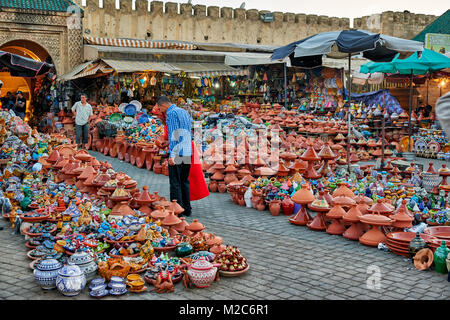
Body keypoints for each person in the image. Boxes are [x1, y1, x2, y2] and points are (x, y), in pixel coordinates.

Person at [156, 96, 193, 217]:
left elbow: (174, 135)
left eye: (160, 108)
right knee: (184, 181)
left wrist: (171, 154)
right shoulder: (183, 111)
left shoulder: (171, 114)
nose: (161, 111)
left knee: (175, 182)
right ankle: (187, 209)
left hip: (177, 152)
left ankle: (177, 213)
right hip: (187, 150)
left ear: (163, 105)